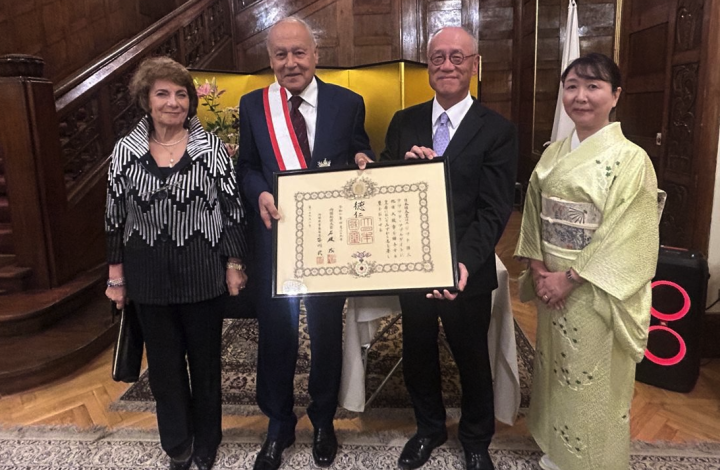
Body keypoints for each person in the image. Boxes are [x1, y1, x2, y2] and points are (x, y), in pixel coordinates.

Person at [236, 17, 374, 470]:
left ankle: (323, 420)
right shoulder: (254, 105)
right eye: (281, 54)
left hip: (327, 241)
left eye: (299, 52)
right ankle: (278, 423)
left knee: (325, 332)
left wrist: (364, 160)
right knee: (276, 334)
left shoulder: (348, 103)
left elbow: (361, 152)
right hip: (274, 239)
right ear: (270, 60)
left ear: (315, 55)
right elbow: (247, 166)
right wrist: (260, 191)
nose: (291, 62)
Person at [376, 26, 518, 470]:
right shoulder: (404, 121)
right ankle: (429, 428)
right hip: (412, 262)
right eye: (438, 57)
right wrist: (401, 169)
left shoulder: (497, 130)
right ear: (428, 66)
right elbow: (382, 185)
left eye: (458, 57)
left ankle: (475, 438)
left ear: (474, 65)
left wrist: (463, 262)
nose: (447, 65)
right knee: (417, 350)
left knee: (471, 354)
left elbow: (494, 209)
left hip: (465, 267)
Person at [514, 52, 660, 470]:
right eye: (572, 86)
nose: (580, 96)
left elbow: (626, 232)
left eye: (593, 86)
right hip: (551, 280)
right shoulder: (554, 152)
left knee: (590, 376)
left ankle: (591, 461)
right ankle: (558, 447)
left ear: (615, 95)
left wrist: (569, 278)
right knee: (555, 369)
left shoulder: (631, 159)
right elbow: (534, 210)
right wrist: (540, 270)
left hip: (593, 287)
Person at [104, 56, 248, 470]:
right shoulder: (125, 151)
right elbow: (114, 215)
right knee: (164, 368)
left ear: (190, 101)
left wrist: (234, 262)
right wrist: (116, 276)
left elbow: (232, 210)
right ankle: (177, 444)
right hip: (148, 278)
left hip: (202, 273)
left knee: (205, 364)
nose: (173, 102)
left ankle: (208, 440)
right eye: (163, 93)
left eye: (181, 94)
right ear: (146, 100)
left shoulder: (211, 149)